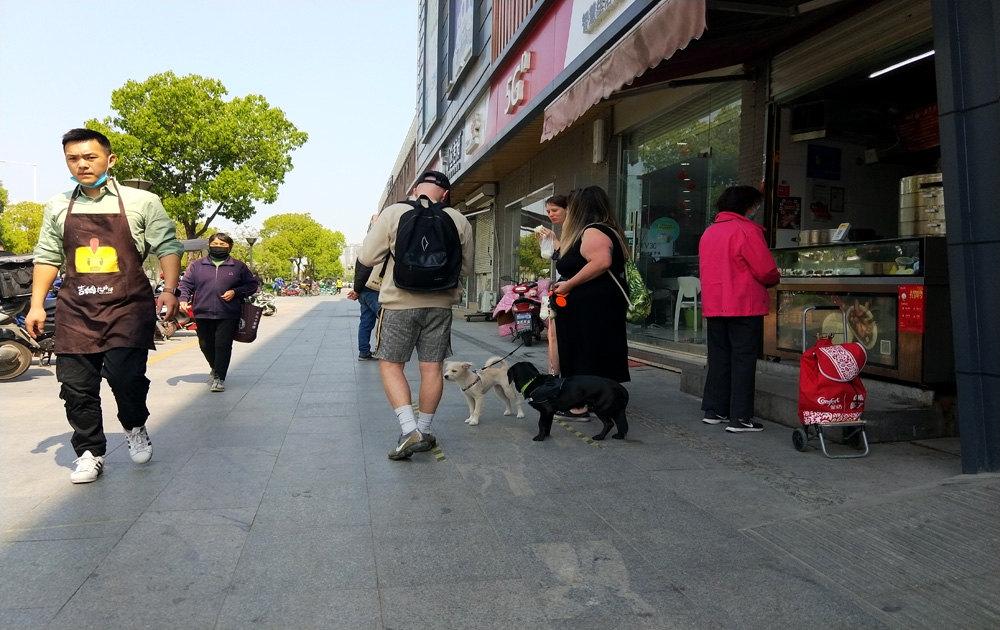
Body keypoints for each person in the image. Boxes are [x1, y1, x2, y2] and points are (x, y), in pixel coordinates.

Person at [25, 128, 183, 484]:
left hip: (127, 306)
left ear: (110, 160)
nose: (82, 164)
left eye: (90, 157)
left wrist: (170, 290)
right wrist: (37, 305)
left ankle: (134, 425)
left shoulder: (142, 202)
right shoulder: (57, 205)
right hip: (76, 308)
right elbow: (48, 257)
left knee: (126, 378)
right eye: (73, 158)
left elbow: (168, 247)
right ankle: (89, 451)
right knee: (76, 387)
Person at [359, 170, 474, 460]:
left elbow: (367, 258)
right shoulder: (459, 220)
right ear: (445, 194)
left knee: (390, 365)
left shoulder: (394, 212)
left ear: (415, 189)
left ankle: (409, 429)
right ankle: (424, 429)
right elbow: (467, 269)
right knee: (432, 369)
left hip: (399, 302)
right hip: (440, 305)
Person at [698, 185, 780, 433]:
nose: (756, 209)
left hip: (715, 304)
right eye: (755, 205)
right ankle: (740, 417)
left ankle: (715, 410)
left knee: (719, 358)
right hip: (744, 304)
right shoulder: (747, 230)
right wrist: (775, 278)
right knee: (743, 360)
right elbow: (765, 270)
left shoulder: (710, 232)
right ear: (747, 206)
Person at [551, 186, 631, 384]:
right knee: (598, 350)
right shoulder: (609, 230)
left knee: (583, 350)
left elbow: (601, 262)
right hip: (599, 301)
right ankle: (599, 395)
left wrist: (569, 284)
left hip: (589, 304)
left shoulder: (593, 231)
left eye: (570, 207)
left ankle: (580, 403)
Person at [178, 233, 259, 392]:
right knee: (205, 344)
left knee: (223, 345)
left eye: (223, 245)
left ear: (229, 247)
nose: (218, 247)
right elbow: (185, 285)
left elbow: (252, 285)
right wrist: (183, 298)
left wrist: (236, 292)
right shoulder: (197, 266)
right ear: (209, 245)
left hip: (228, 313)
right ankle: (215, 368)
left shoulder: (238, 266)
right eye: (215, 243)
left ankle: (219, 377)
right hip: (202, 312)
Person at [534, 194, 568, 377]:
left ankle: (555, 375)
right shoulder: (564, 230)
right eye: (548, 211)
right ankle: (553, 374)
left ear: (567, 209)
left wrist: (554, 240)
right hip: (560, 287)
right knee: (552, 336)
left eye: (555, 210)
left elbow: (566, 257)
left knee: (555, 336)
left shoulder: (572, 230)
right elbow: (556, 257)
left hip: (568, 289)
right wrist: (549, 242)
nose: (551, 215)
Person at [346, 258, 380, 360]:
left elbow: (358, 274)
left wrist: (357, 290)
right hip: (374, 291)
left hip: (363, 293)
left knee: (365, 323)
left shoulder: (361, 255)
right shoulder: (373, 253)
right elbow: (365, 271)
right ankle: (383, 350)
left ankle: (364, 352)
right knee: (385, 319)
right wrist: (356, 290)